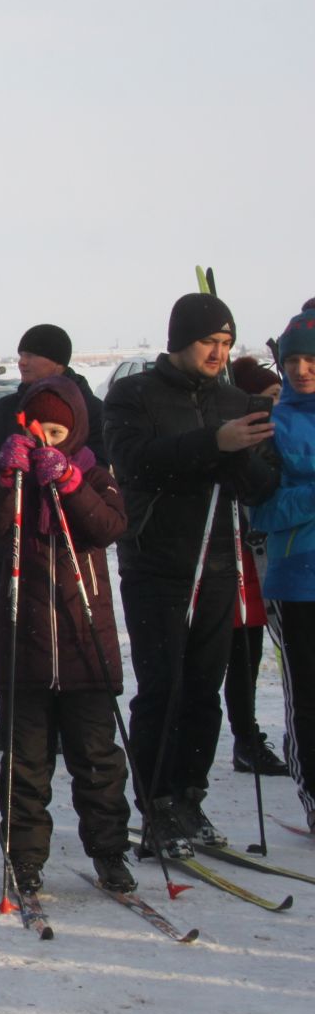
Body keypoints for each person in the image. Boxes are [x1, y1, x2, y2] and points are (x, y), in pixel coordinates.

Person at [104, 293, 278, 858]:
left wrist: (242, 455)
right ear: (181, 339)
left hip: (219, 560)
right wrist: (213, 444)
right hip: (158, 559)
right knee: (164, 686)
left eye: (226, 343)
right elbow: (134, 459)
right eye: (210, 341)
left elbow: (258, 485)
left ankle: (188, 795)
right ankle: (155, 801)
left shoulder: (236, 399)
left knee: (205, 688)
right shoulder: (135, 394)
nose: (218, 352)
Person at [0, 377, 136, 892]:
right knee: (25, 767)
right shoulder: (16, 479)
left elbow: (109, 527)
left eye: (57, 431)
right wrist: (9, 480)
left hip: (84, 645)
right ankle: (23, 857)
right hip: (25, 649)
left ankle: (111, 852)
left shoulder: (95, 473)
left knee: (97, 762)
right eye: (37, 430)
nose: (47, 440)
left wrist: (70, 482)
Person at [0, 323, 110, 753]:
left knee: (74, 628)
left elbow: (102, 463)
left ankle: (72, 721)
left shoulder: (91, 408)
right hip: (14, 536)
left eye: (32, 354)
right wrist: (6, 469)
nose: (21, 361)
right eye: (20, 353)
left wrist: (66, 473)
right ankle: (15, 721)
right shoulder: (8, 406)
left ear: (59, 362)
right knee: (14, 630)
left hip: (72, 541)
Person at [247, 307, 315, 830]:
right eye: (293, 359)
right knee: (308, 696)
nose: (301, 370)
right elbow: (264, 510)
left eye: (311, 359)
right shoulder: (274, 423)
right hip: (297, 578)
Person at [224, 356, 289, 776]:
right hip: (233, 557)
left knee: (252, 650)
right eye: (268, 398)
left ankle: (247, 738)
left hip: (265, 556)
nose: (275, 405)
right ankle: (244, 738)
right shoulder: (237, 437)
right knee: (238, 653)